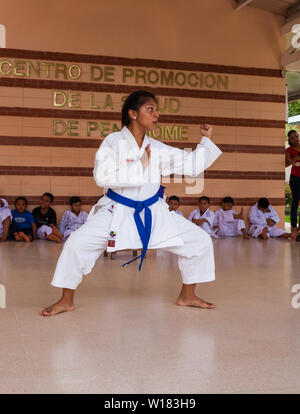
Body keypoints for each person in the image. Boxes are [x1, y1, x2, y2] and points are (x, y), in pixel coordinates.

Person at [41, 90, 222, 317]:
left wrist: (206, 141)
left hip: (153, 212)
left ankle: (188, 295)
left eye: (156, 109)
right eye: (151, 109)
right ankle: (65, 300)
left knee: (200, 240)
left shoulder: (156, 148)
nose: (157, 114)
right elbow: (102, 177)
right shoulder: (113, 142)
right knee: (76, 244)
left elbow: (190, 165)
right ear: (133, 113)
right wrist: (142, 164)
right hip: (116, 210)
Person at [285, 130, 300, 231]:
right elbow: (286, 164)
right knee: (295, 202)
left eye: (296, 136)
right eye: (293, 138)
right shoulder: (289, 150)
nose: (295, 139)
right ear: (290, 140)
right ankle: (293, 226)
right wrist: (293, 159)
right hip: (295, 178)